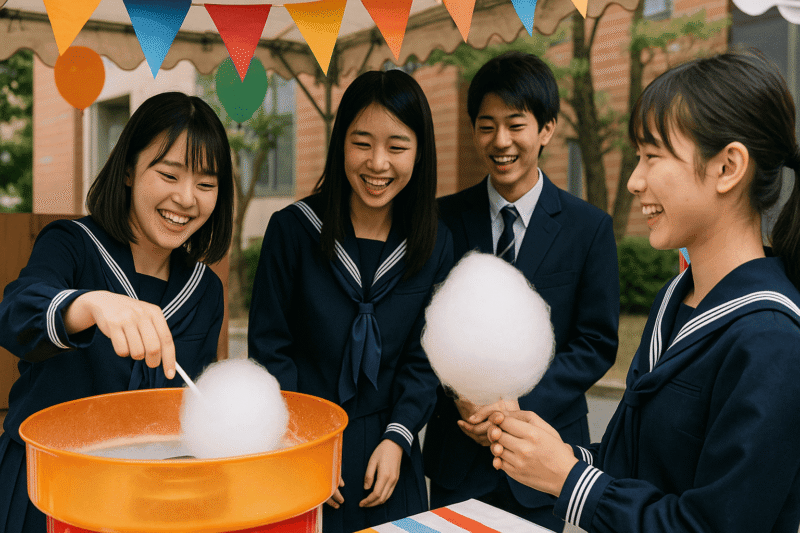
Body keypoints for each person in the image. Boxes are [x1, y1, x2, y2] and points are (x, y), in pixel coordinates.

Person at [487, 51, 800, 532]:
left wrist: (571, 481)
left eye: (652, 156)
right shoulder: (675, 297)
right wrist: (547, 454)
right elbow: (628, 464)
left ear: (728, 167)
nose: (634, 180)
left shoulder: (772, 340)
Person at [0, 92, 234, 533]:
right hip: (46, 491)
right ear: (129, 170)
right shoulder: (70, 245)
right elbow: (15, 314)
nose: (186, 198)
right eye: (169, 174)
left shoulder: (205, 291)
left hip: (143, 499)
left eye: (206, 184)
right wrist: (85, 304)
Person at [248, 69, 453, 533]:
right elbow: (269, 348)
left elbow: (425, 359)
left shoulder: (435, 243)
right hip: (304, 445)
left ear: (420, 153)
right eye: (362, 143)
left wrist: (399, 439)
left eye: (397, 147)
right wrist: (305, 443)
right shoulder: (293, 230)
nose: (378, 163)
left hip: (389, 454)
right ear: (340, 143)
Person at [422, 51, 619, 531]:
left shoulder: (588, 227)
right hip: (458, 457)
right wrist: (461, 397)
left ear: (546, 129)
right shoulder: (441, 221)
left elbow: (596, 341)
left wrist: (517, 409)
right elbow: (422, 325)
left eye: (516, 124)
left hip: (543, 454)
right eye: (486, 126)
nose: (501, 141)